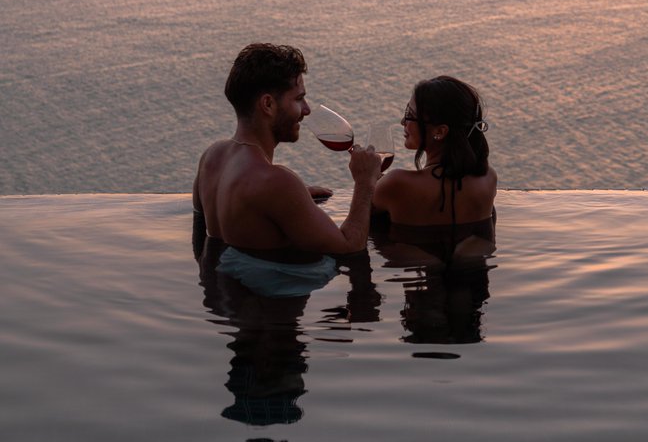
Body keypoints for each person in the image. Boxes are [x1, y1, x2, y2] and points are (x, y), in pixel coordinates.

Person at [193, 43, 382, 278]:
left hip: (229, 295)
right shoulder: (276, 183)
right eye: (299, 99)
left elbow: (201, 236)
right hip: (271, 301)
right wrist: (365, 182)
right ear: (268, 105)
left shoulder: (211, 158)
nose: (307, 110)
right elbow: (350, 247)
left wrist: (295, 198)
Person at [371, 76, 497, 256]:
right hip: (472, 272)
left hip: (412, 269)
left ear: (440, 131)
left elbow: (351, 235)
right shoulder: (488, 178)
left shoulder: (396, 183)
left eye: (410, 115)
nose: (403, 122)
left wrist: (364, 180)